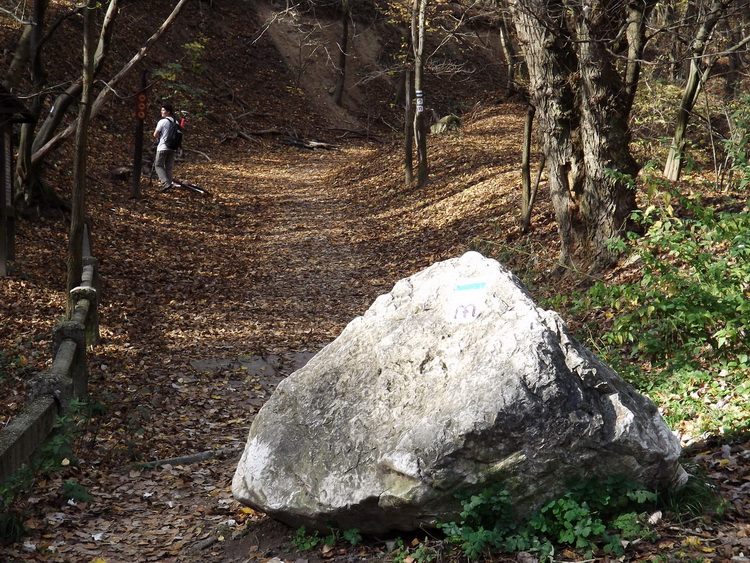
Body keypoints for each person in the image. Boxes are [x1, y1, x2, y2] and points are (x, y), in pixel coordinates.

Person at [153, 103, 178, 192]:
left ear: (168, 112)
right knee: (169, 167)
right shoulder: (176, 121)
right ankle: (169, 184)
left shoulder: (162, 121)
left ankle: (165, 182)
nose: (161, 112)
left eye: (163, 110)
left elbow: (155, 134)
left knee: (158, 165)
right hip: (172, 147)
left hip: (163, 147)